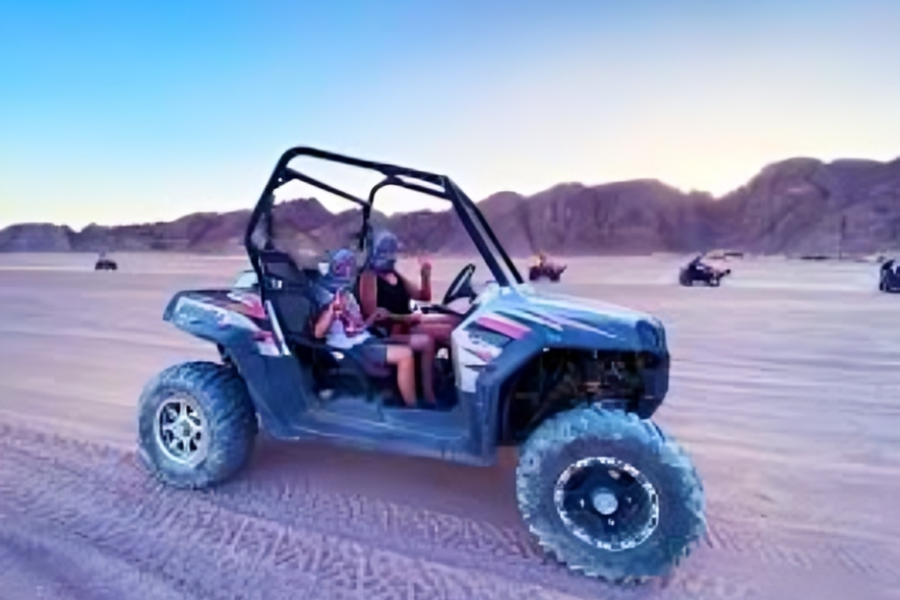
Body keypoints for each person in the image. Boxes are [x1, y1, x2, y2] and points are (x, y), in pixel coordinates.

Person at [313, 248, 435, 408]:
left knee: (425, 342)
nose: (348, 272)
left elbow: (357, 326)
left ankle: (428, 396)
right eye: (343, 267)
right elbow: (317, 333)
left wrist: (373, 317)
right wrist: (331, 311)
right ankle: (412, 408)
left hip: (365, 338)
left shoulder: (347, 295)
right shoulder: (325, 295)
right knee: (405, 355)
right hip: (352, 348)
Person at [358, 229, 459, 349]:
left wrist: (425, 274)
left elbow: (423, 297)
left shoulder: (394, 274)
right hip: (392, 330)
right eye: (386, 251)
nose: (391, 256)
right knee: (448, 332)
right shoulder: (369, 276)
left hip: (408, 322)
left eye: (393, 251)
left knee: (456, 321)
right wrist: (404, 318)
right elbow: (373, 315)